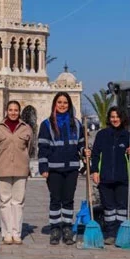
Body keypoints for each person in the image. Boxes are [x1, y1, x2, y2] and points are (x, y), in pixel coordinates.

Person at [38, 91, 90, 245]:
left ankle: (67, 227)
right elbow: (43, 147)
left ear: (69, 105)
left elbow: (81, 143)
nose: (62, 105)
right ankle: (55, 228)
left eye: (65, 103)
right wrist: (43, 167)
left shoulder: (77, 123)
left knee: (68, 199)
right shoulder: (46, 124)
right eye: (59, 102)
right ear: (55, 104)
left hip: (71, 167)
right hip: (54, 168)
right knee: (55, 199)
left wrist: (84, 151)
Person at [90, 106, 130, 245]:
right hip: (105, 177)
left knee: (122, 207)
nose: (115, 119)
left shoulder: (127, 135)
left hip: (122, 177)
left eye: (117, 117)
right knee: (109, 207)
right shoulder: (102, 135)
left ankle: (121, 232)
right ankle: (111, 233)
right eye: (112, 117)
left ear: (122, 118)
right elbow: (95, 155)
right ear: (109, 119)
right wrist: (95, 171)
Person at [0, 100, 32, 245]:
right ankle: (7, 232)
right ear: (6, 111)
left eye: (16, 110)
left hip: (21, 169)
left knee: (18, 202)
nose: (13, 112)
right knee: (5, 202)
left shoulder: (26, 128)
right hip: (3, 168)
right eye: (11, 110)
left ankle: (16, 232)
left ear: (19, 112)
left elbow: (29, 148)